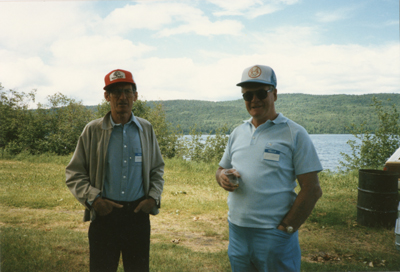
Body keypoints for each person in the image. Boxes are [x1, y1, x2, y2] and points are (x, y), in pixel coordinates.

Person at [216, 65, 323, 272]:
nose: (254, 100)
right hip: (237, 231)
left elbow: (312, 189)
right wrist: (222, 176)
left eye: (260, 93)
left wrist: (285, 229)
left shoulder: (295, 133)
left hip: (274, 234)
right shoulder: (238, 133)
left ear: (274, 93)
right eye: (247, 95)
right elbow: (221, 169)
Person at [66, 69, 164, 272]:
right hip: (105, 217)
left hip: (138, 216)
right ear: (106, 96)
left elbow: (157, 168)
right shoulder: (92, 130)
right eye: (116, 92)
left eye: (128, 91)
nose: (122, 97)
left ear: (135, 96)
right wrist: (95, 200)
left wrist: (152, 198)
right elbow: (74, 173)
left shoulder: (146, 129)